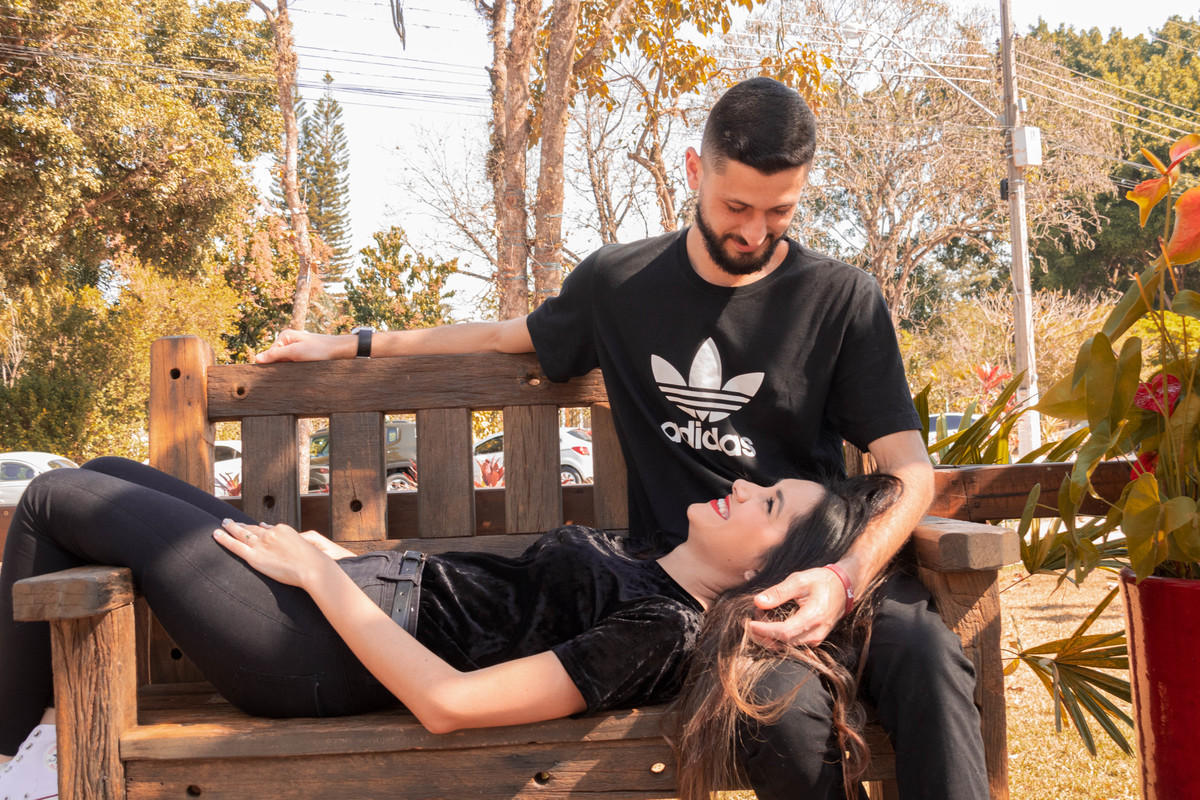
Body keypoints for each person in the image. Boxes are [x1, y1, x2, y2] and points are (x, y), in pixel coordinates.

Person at [254, 76, 988, 798]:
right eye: (736, 206)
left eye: (780, 211)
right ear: (694, 171)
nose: (754, 232)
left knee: (928, 656)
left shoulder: (842, 299)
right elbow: (509, 335)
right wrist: (352, 344)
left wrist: (844, 577)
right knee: (781, 717)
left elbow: (909, 470)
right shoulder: (621, 283)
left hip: (835, 563)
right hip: (714, 596)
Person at [0, 456, 898, 799]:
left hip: (314, 652)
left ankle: (12, 765)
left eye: (767, 503)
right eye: (763, 482)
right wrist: (336, 557)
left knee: (54, 496)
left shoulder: (661, 629)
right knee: (106, 467)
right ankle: (33, 753)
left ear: (761, 575)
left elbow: (447, 702)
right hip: (345, 596)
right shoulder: (647, 555)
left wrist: (320, 576)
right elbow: (468, 590)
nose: (742, 485)